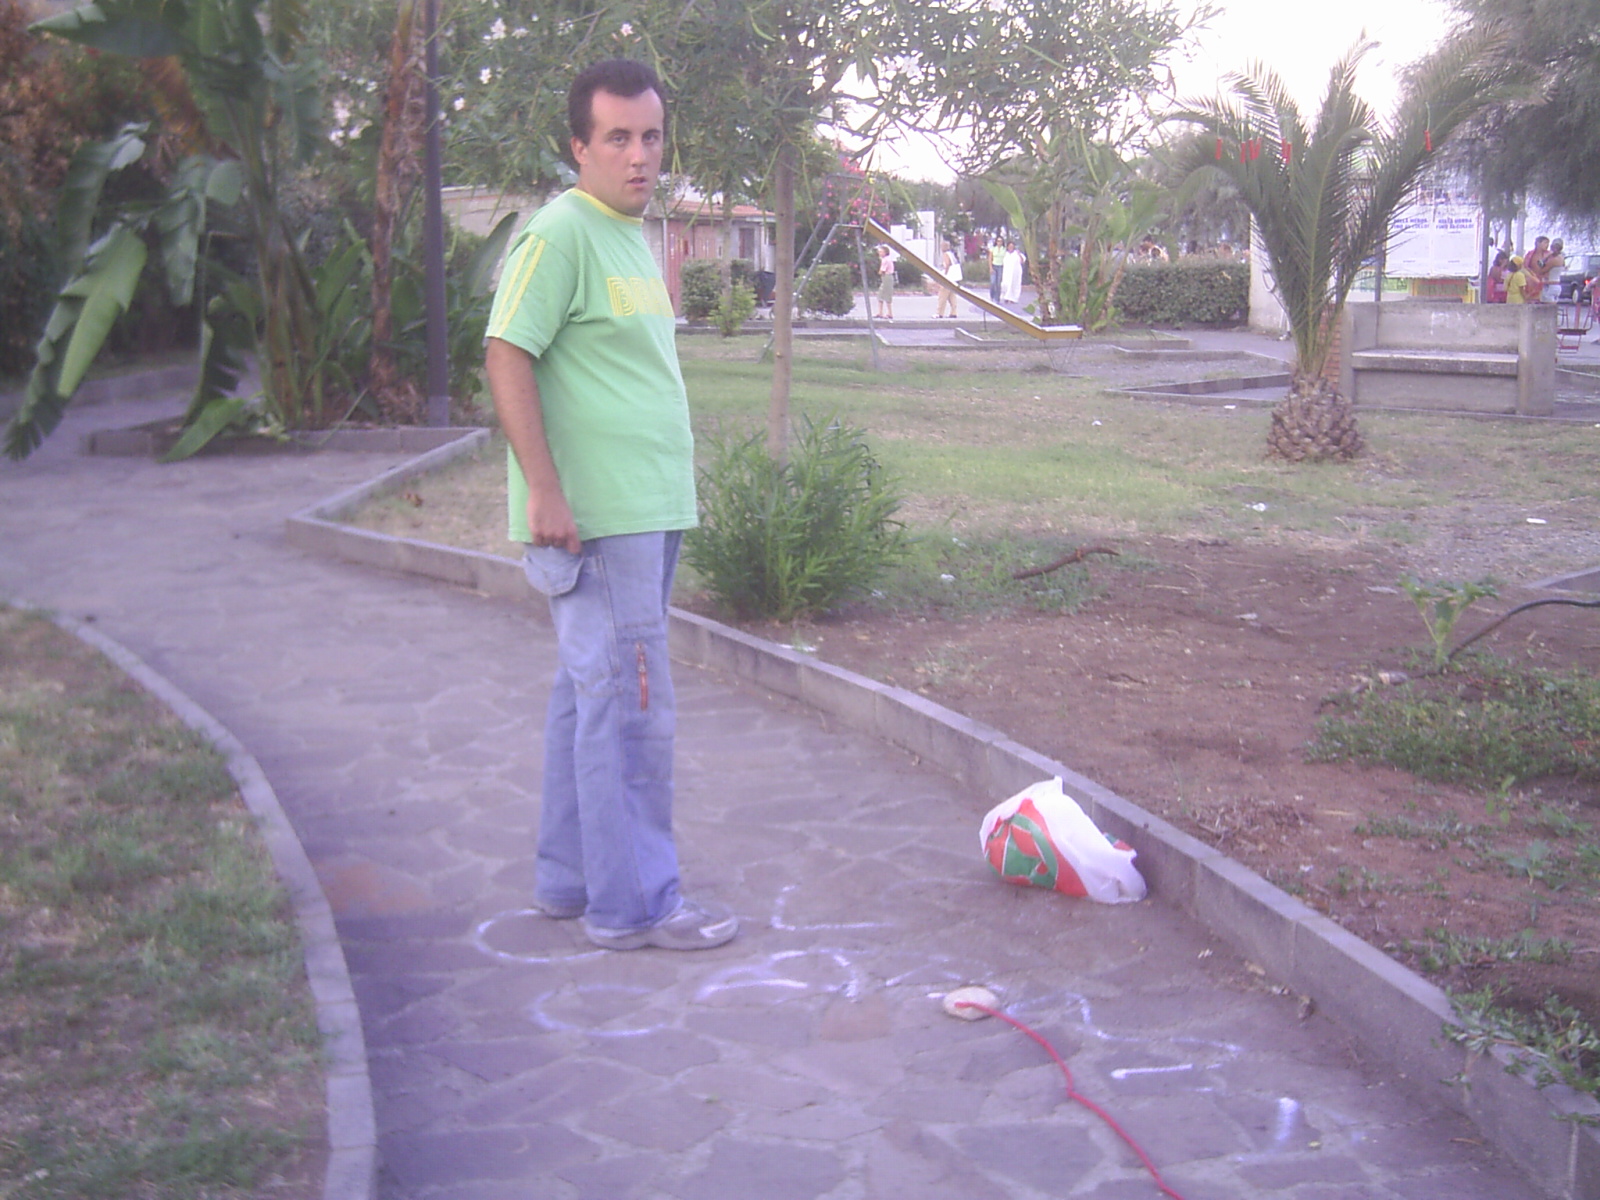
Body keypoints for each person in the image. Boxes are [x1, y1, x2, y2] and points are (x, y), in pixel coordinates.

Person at [483, 59, 737, 952]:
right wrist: (545, 489)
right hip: (596, 518)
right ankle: (639, 905)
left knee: (584, 698)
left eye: (652, 137)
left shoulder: (629, 233)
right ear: (578, 146)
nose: (640, 156)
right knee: (630, 705)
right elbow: (506, 353)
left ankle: (571, 879)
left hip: (644, 509)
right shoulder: (560, 234)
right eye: (619, 138)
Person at [936, 240, 960, 318]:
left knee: (942, 296)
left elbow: (947, 265)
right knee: (951, 295)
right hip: (953, 279)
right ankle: (954, 312)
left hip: (947, 279)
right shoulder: (951, 254)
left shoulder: (945, 255)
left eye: (942, 246)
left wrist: (944, 276)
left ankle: (939, 313)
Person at [1524, 235, 1552, 302]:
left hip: (1545, 281)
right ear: (1538, 243)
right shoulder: (1530, 254)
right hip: (1532, 281)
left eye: (1548, 243)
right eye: (1545, 243)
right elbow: (1525, 266)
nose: (1547, 245)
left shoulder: (1549, 254)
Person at [875, 244, 896, 319]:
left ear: (885, 252)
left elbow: (882, 271)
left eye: (881, 252)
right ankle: (880, 312)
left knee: (887, 294)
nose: (879, 253)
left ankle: (889, 313)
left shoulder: (885, 260)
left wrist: (879, 273)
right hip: (886, 278)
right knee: (880, 294)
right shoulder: (886, 259)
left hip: (887, 277)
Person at [1002, 240, 1026, 305]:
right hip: (1007, 273)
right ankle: (1006, 297)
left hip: (1015, 273)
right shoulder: (1005, 254)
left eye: (1012, 246)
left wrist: (1019, 254)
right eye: (1009, 246)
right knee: (1005, 284)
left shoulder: (1017, 253)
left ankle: (1013, 299)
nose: (1011, 248)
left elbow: (1022, 261)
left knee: (1014, 285)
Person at [989, 236, 1005, 303]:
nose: (999, 242)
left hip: (1000, 267)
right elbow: (990, 258)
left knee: (998, 283)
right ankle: (992, 296)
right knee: (993, 282)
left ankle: (997, 297)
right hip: (994, 266)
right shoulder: (993, 249)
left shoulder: (1004, 249)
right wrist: (990, 268)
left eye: (1000, 241)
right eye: (998, 241)